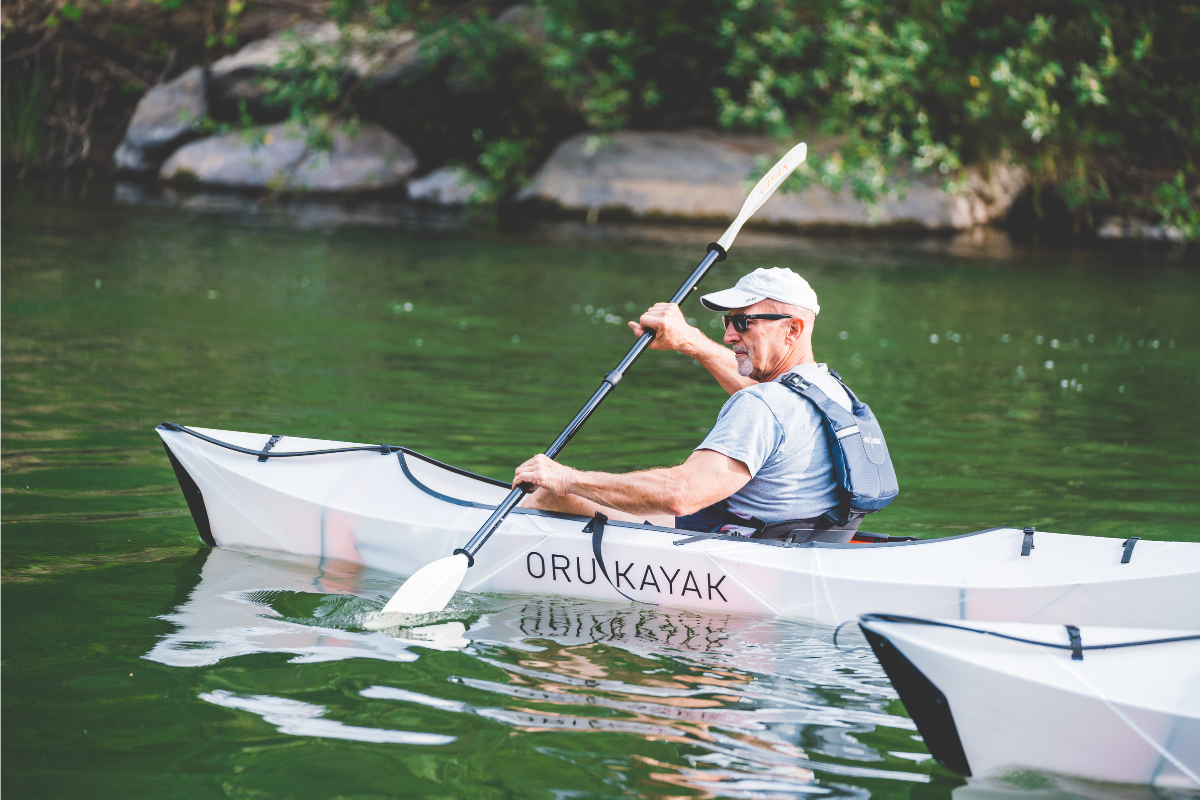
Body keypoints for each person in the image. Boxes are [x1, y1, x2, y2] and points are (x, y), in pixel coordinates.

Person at [516, 267, 866, 538]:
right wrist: (688, 341)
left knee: (547, 498)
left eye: (743, 322)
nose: (729, 334)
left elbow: (681, 494)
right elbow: (763, 397)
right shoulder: (830, 390)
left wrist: (565, 478)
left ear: (792, 330)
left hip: (730, 557)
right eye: (729, 321)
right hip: (792, 543)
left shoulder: (762, 406)